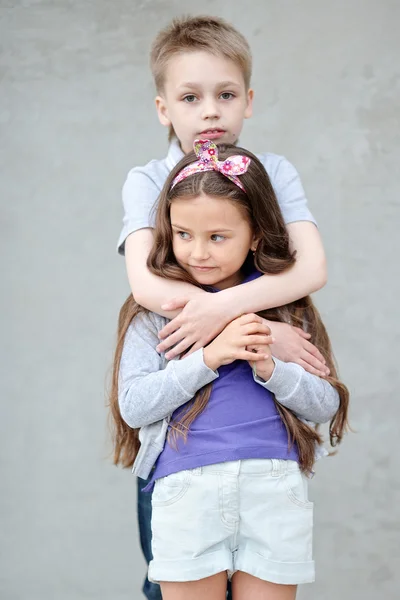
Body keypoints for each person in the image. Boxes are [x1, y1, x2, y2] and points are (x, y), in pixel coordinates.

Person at [117, 15, 330, 600]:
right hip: (181, 437)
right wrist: (254, 325)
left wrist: (261, 342)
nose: (210, 112)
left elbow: (311, 270)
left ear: (248, 101)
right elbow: (149, 289)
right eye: (191, 97)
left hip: (260, 450)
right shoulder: (147, 180)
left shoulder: (273, 174)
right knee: (169, 578)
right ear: (164, 109)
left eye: (226, 95)